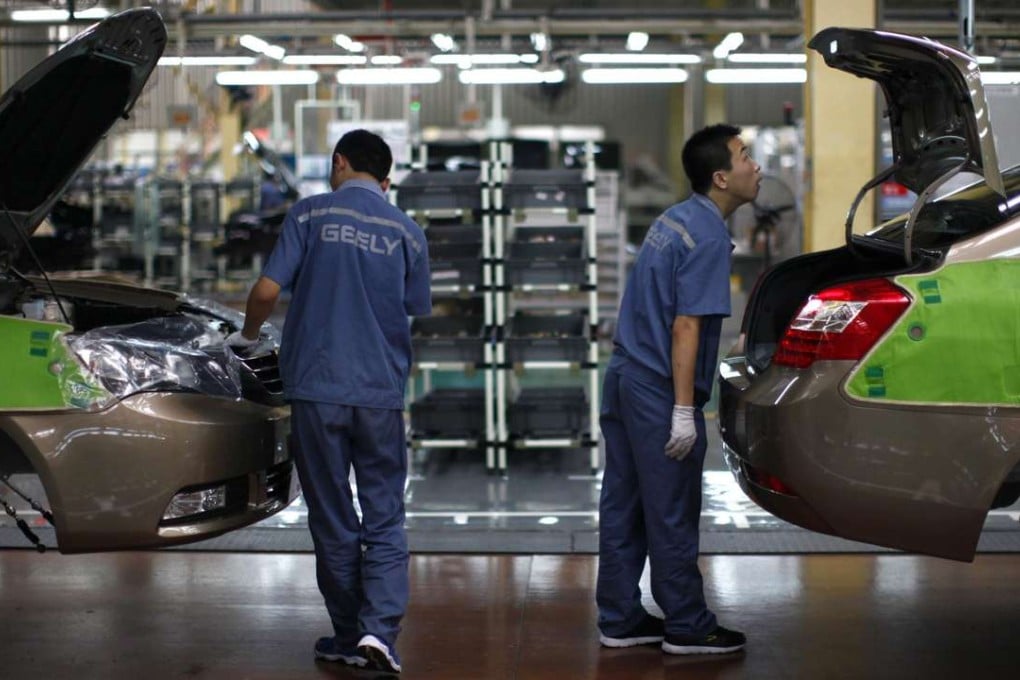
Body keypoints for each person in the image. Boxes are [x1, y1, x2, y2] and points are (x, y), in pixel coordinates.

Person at [226, 129, 431, 674]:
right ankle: (379, 630)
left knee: (333, 513)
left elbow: (267, 291)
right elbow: (413, 307)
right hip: (380, 392)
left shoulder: (310, 214)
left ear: (339, 162)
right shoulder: (408, 231)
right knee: (385, 513)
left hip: (317, 389)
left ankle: (346, 633)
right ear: (386, 180)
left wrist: (248, 336)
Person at [596, 124, 760, 656]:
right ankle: (687, 623)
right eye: (744, 156)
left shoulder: (675, 219)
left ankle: (619, 616)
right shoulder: (708, 235)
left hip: (624, 375)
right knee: (671, 508)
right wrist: (685, 410)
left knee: (624, 503)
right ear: (721, 177)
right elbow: (686, 325)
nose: (755, 166)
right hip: (658, 389)